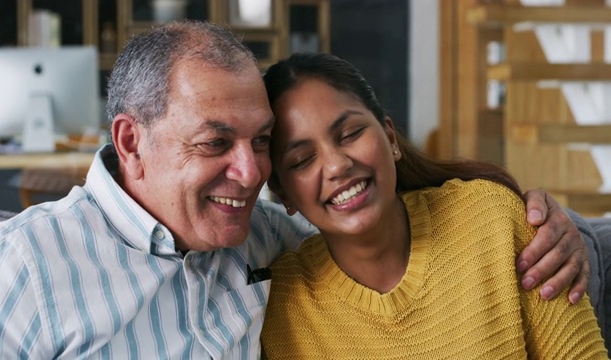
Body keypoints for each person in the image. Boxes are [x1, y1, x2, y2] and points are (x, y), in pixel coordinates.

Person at [0, 21, 593, 359]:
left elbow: (374, 237)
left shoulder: (268, 243)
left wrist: (565, 231)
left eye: (262, 142)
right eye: (216, 143)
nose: (250, 175)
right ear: (132, 143)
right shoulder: (14, 269)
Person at [259, 52, 608, 359]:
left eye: (350, 134)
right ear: (284, 194)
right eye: (302, 159)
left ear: (391, 138)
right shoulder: (282, 308)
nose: (337, 165)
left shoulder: (491, 217)